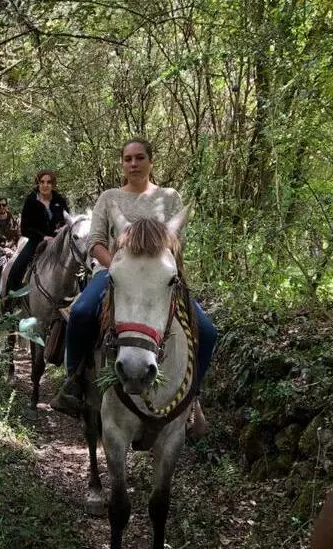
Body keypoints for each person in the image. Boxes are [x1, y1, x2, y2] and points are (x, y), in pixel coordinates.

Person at [50, 138, 217, 437]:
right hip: (113, 271)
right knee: (83, 312)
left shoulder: (169, 198)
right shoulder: (109, 197)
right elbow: (95, 241)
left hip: (159, 278)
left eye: (140, 158)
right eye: (128, 159)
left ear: (151, 161)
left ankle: (192, 397)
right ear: (122, 164)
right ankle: (73, 382)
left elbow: (178, 244)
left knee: (206, 331)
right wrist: (120, 266)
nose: (133, 164)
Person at [5, 170, 70, 293]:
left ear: (53, 184)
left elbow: (67, 220)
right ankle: (9, 302)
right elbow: (24, 228)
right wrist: (42, 237)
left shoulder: (59, 200)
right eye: (42, 182)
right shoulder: (30, 201)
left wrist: (62, 229)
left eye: (49, 182)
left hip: (59, 240)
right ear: (38, 183)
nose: (45, 185)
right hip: (36, 241)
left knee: (78, 262)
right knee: (17, 267)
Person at [0, 197, 21, 281]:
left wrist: (16, 250)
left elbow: (20, 237)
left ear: (7, 206)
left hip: (16, 252)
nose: (1, 207)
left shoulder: (16, 221)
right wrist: (4, 251)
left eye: (3, 205)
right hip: (1, 256)